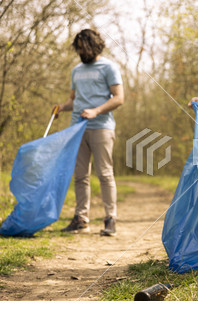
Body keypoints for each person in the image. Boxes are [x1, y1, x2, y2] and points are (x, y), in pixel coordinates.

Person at [53, 29, 124, 236]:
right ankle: (81, 218)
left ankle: (110, 219)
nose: (82, 52)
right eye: (79, 49)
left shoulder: (109, 67)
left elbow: (119, 98)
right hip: (76, 128)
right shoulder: (76, 70)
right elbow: (73, 99)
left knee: (104, 174)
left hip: (102, 127)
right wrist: (60, 108)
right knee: (80, 176)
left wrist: (96, 111)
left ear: (95, 46)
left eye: (85, 48)